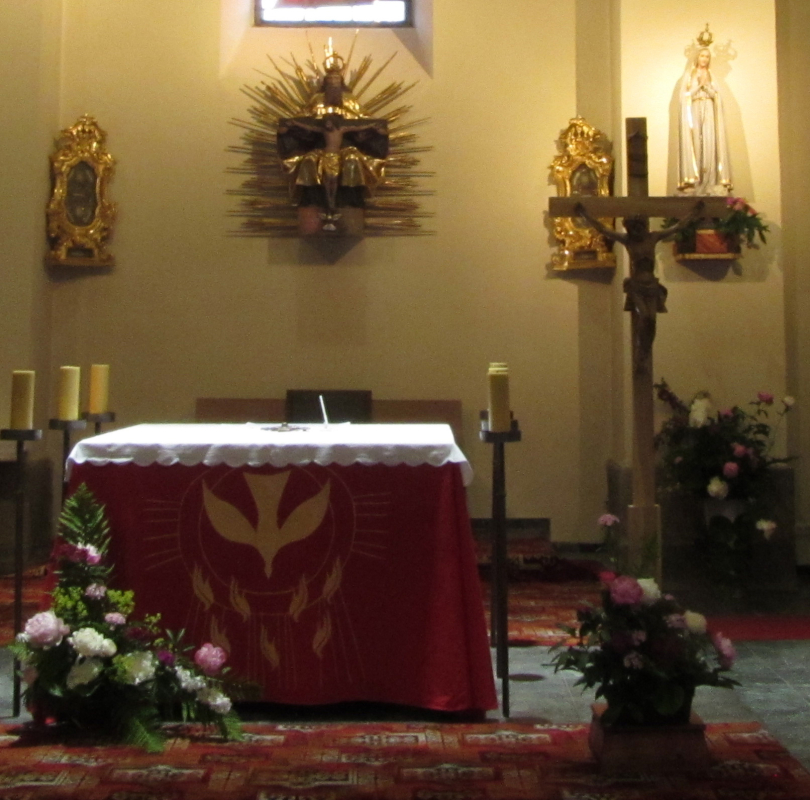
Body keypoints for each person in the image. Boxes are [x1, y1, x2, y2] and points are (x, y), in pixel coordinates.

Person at [677, 47, 732, 196]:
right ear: (697, 57)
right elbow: (685, 96)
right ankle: (695, 182)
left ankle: (710, 182)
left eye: (707, 56)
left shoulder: (711, 75)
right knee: (696, 143)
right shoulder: (690, 75)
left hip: (708, 108)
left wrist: (707, 88)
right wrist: (699, 86)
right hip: (695, 109)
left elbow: (717, 96)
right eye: (702, 56)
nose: (704, 59)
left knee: (709, 143)